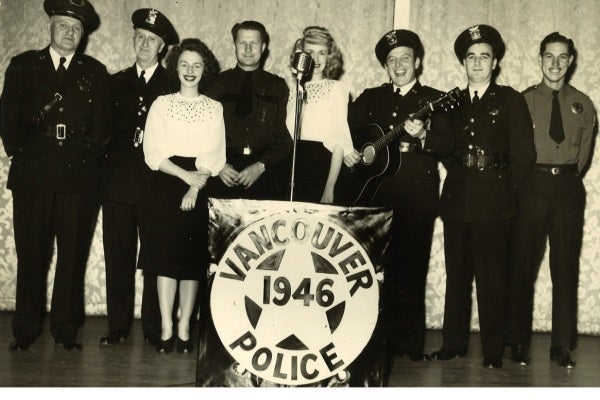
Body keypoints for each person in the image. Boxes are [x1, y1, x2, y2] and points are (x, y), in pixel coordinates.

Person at [1, 0, 110, 351]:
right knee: (32, 254)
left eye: (77, 28)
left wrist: (82, 154)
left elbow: (104, 128)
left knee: (72, 255)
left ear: (84, 34)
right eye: (63, 25)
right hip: (33, 177)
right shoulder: (23, 65)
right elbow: (7, 117)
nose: (70, 32)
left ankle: (65, 329)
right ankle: (26, 329)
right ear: (50, 27)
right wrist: (23, 151)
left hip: (78, 181)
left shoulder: (94, 71)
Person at [342, 30, 453, 362]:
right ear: (385, 66)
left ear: (417, 61)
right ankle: (374, 341)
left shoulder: (435, 98)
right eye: (392, 60)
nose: (399, 64)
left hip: (415, 196)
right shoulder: (370, 98)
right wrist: (349, 151)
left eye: (405, 58)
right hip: (373, 194)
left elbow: (448, 144)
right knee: (373, 270)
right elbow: (346, 132)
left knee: (412, 268)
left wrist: (424, 137)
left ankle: (409, 345)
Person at [434, 24, 536, 368]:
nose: (477, 63)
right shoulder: (452, 101)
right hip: (458, 200)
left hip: (495, 203)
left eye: (484, 57)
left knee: (493, 280)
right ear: (464, 63)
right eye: (471, 57)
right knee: (458, 277)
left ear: (495, 62)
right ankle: (453, 343)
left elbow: (524, 155)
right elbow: (446, 150)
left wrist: (505, 193)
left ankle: (493, 350)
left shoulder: (509, 99)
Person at [506, 32, 596, 368]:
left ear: (571, 61)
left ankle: (561, 345)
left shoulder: (583, 104)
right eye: (549, 56)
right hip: (532, 186)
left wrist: (565, 177)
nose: (555, 63)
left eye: (562, 57)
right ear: (540, 59)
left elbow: (583, 155)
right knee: (522, 264)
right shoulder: (523, 100)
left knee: (565, 266)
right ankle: (516, 342)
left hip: (568, 190)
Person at [139, 38, 225, 354]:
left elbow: (213, 156)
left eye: (197, 65)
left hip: (199, 186)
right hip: (164, 184)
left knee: (191, 263)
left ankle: (185, 327)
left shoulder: (213, 108)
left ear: (206, 70)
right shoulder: (161, 104)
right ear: (176, 67)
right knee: (164, 261)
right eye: (184, 64)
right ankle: (166, 327)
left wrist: (193, 186)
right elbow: (153, 153)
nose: (190, 71)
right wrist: (184, 177)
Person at [99, 9, 178, 347]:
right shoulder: (114, 82)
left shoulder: (174, 85)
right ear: (133, 40)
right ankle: (117, 326)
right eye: (140, 38)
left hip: (156, 186)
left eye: (152, 40)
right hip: (117, 185)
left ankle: (152, 327)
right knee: (118, 257)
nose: (145, 44)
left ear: (162, 48)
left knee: (155, 257)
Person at [205, 20, 292, 200]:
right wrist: (219, 165)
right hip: (224, 169)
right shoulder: (217, 84)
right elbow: (202, 132)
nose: (248, 48)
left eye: (254, 43)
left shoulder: (277, 86)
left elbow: (285, 138)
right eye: (242, 43)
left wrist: (260, 166)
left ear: (264, 46)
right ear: (235, 45)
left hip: (265, 171)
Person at [285, 26, 353, 203]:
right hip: (292, 167)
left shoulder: (337, 89)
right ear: (300, 55)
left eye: (322, 52)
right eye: (310, 52)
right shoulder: (293, 90)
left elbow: (339, 142)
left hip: (322, 167)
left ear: (329, 57)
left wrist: (329, 188)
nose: (315, 59)